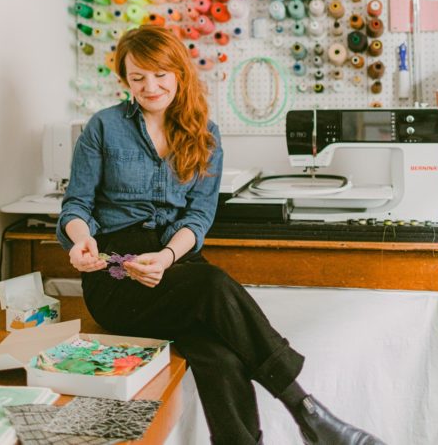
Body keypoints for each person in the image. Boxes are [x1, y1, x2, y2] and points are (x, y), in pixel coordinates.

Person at [57, 25, 385, 445]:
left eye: (159, 74)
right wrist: (81, 238)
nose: (149, 86)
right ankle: (307, 411)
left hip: (176, 265)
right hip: (118, 275)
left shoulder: (205, 133)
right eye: (137, 78)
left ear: (178, 72)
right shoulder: (103, 127)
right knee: (213, 283)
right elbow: (76, 204)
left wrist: (169, 258)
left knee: (220, 353)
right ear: (125, 80)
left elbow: (198, 217)